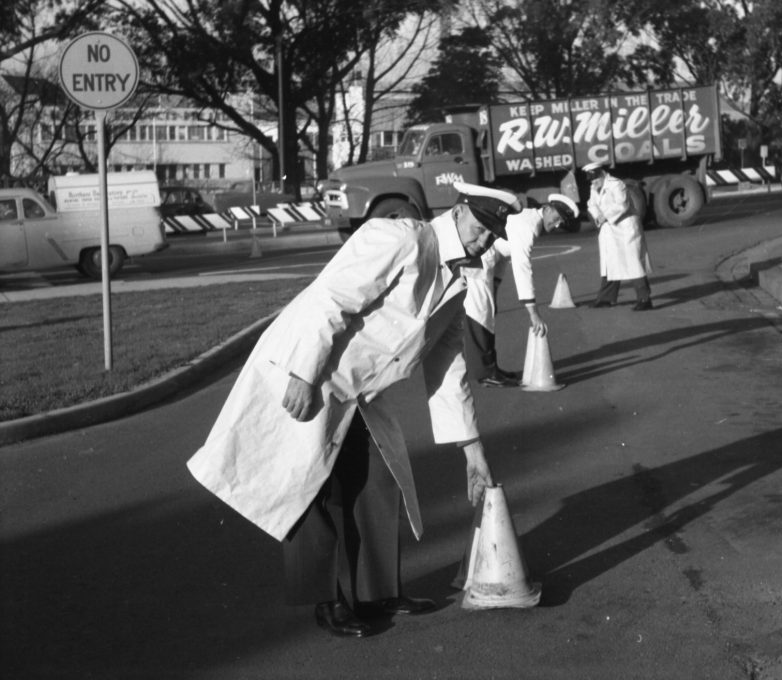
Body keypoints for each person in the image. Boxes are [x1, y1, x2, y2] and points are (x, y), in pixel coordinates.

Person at [186, 182, 521, 639]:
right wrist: (304, 373)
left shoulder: (459, 280)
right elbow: (332, 298)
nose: (483, 241)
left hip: (358, 391)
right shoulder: (399, 238)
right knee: (305, 490)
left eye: (491, 236)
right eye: (481, 228)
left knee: (379, 482)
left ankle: (378, 590)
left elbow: (447, 368)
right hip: (309, 370)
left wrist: (472, 448)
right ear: (460, 211)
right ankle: (330, 601)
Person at [462, 193, 580, 387]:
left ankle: (491, 369)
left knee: (486, 313)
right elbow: (522, 266)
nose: (557, 224)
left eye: (561, 222)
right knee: (479, 314)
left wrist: (496, 283)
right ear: (547, 209)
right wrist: (533, 313)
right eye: (557, 218)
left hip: (488, 259)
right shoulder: (529, 226)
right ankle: (485, 373)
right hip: (478, 259)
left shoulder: (530, 219)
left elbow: (503, 250)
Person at [583, 161, 654, 311]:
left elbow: (622, 205)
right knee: (610, 262)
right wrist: (597, 216)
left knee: (633, 261)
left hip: (625, 227)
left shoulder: (616, 184)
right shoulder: (594, 187)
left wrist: (605, 216)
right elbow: (591, 204)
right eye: (591, 180)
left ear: (602, 174)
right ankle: (606, 298)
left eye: (595, 179)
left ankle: (645, 298)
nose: (593, 183)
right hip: (609, 228)